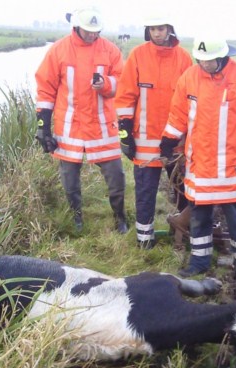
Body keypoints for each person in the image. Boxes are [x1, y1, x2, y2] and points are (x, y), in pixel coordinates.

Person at [159, 36, 236, 288]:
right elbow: (178, 114)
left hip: (231, 167)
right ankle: (199, 262)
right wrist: (168, 140)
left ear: (223, 57)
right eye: (201, 60)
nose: (205, 64)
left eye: (209, 61)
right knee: (199, 216)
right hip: (199, 165)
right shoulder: (189, 77)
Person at [34, 7, 128, 234]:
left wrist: (106, 84)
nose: (92, 35)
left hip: (102, 127)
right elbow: (45, 89)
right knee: (69, 179)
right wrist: (43, 126)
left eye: (96, 31)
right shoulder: (59, 50)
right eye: (88, 31)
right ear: (76, 27)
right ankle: (75, 218)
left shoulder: (110, 50)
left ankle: (120, 218)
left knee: (116, 176)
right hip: (70, 128)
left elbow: (123, 82)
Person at [114, 14, 192, 249]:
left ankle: (184, 234)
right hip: (144, 143)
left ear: (169, 28)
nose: (157, 33)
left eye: (161, 28)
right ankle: (144, 240)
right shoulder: (138, 55)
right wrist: (125, 134)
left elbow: (191, 100)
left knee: (184, 192)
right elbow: (125, 96)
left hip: (176, 144)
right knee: (145, 193)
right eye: (152, 29)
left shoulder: (183, 58)